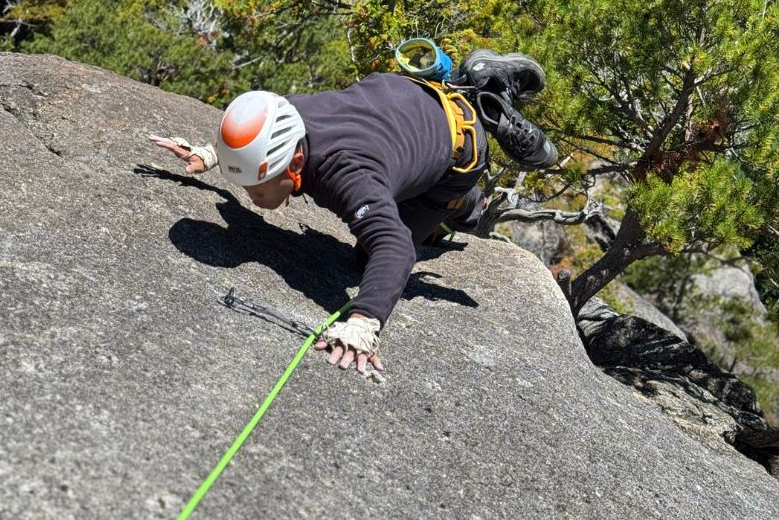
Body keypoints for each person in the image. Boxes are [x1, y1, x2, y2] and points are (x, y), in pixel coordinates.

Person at [150, 49, 557, 375]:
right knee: (399, 196)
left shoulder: (344, 174)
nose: (251, 195)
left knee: (372, 253)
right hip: (400, 99)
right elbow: (255, 132)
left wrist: (364, 321)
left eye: (258, 184)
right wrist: (212, 154)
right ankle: (468, 87)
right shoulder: (285, 115)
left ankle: (483, 113)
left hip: (457, 147)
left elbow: (394, 247)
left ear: (293, 163)